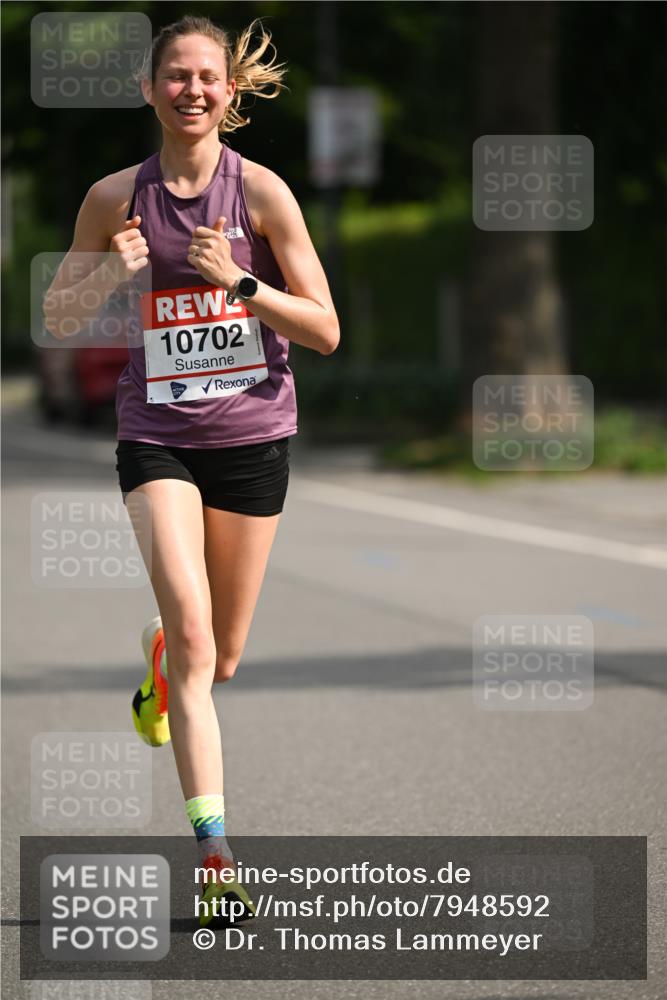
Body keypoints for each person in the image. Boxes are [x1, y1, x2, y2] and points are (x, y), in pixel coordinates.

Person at [43, 15, 339, 924]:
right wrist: (107, 275)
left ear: (230, 92)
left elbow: (325, 330)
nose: (193, 90)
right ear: (149, 88)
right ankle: (215, 858)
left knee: (222, 655)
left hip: (252, 436)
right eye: (176, 76)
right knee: (202, 644)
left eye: (208, 77)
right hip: (157, 436)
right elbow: (57, 323)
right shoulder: (111, 199)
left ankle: (160, 660)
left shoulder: (265, 197)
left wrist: (242, 284)